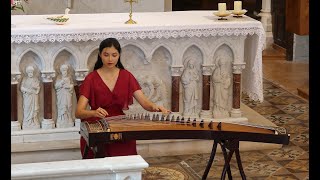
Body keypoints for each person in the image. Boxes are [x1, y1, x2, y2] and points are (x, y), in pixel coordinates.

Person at [75, 38, 171, 159]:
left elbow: (145, 103)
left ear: (119, 55)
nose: (110, 59)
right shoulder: (91, 78)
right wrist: (94, 112)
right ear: (100, 55)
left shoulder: (127, 76)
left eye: (114, 55)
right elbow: (78, 112)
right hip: (97, 123)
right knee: (102, 143)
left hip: (119, 121)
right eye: (106, 55)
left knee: (126, 139)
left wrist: (155, 107)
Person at [20, 65, 41, 129]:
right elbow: (21, 87)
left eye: (31, 72)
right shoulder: (25, 79)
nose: (30, 74)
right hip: (27, 97)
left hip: (34, 96)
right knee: (27, 108)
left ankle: (34, 121)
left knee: (35, 109)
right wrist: (27, 90)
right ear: (27, 73)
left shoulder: (35, 79)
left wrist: (35, 88)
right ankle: (27, 121)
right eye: (29, 72)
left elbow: (38, 87)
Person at [55, 64, 74, 128]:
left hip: (67, 94)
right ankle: (61, 119)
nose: (64, 72)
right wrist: (61, 83)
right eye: (63, 70)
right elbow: (56, 86)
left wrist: (69, 87)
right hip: (61, 94)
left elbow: (72, 85)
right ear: (61, 71)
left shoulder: (69, 77)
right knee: (62, 106)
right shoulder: (59, 77)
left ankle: (69, 119)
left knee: (68, 105)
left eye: (65, 70)